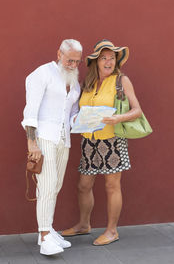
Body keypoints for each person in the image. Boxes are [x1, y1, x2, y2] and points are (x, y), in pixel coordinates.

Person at [62, 39, 142, 245]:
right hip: (89, 140)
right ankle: (83, 224)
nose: (108, 61)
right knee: (83, 185)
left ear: (116, 61)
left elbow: (137, 110)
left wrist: (118, 118)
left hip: (112, 140)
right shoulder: (87, 82)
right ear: (95, 61)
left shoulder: (121, 81)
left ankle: (112, 231)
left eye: (112, 58)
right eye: (104, 58)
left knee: (112, 186)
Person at [21, 39, 82, 255]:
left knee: (55, 186)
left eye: (77, 61)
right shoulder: (42, 74)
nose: (73, 65)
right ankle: (45, 235)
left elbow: (72, 111)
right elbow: (31, 110)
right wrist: (32, 142)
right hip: (44, 137)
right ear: (59, 54)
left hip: (64, 139)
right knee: (46, 187)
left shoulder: (74, 82)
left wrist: (83, 119)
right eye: (69, 60)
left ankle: (47, 230)